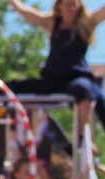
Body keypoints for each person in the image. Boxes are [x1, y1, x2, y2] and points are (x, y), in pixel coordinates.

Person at [7, 0, 105, 132]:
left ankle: (80, 137)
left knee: (85, 90)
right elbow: (23, 10)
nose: (73, 8)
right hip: (52, 79)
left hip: (76, 78)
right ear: (59, 6)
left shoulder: (87, 22)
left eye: (75, 4)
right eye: (69, 4)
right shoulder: (51, 23)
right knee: (4, 88)